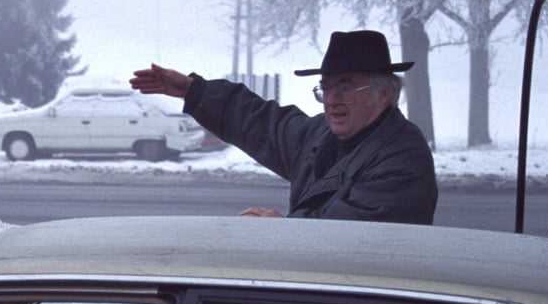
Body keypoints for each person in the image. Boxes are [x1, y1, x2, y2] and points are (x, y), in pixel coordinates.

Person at [131, 29, 437, 224]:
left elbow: (354, 239)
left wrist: (284, 233)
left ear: (383, 94)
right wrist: (193, 91)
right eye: (326, 89)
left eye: (345, 88)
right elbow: (261, 123)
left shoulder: (401, 156)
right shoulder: (322, 136)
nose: (332, 100)